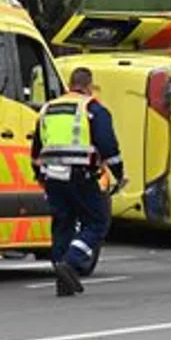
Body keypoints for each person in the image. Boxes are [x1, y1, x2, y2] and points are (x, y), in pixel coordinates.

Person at [32, 67, 125, 297]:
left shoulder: (48, 109)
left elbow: (36, 149)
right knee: (97, 222)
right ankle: (71, 262)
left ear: (70, 85)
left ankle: (62, 278)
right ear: (88, 86)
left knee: (63, 223)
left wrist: (40, 176)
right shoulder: (92, 108)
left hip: (53, 176)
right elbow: (107, 146)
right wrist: (119, 174)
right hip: (81, 175)